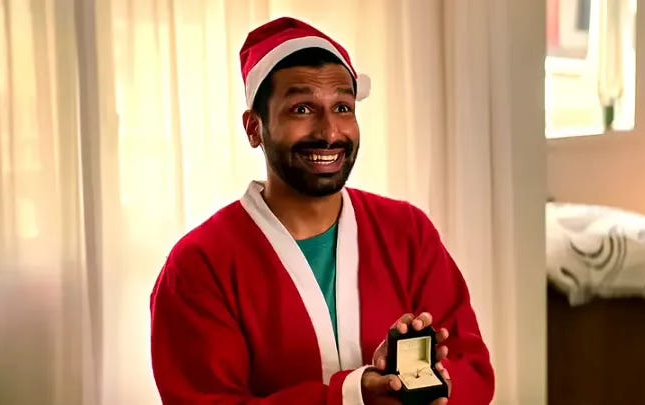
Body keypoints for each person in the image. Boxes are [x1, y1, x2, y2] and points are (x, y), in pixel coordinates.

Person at [149, 16, 495, 405]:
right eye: (301, 109)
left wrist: (426, 385)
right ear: (254, 128)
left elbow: (471, 365)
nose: (330, 132)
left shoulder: (407, 231)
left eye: (343, 107)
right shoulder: (198, 266)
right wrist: (352, 396)